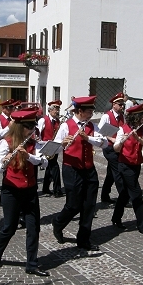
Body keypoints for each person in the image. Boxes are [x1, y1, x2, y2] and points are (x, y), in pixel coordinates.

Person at [0, 109, 50, 277]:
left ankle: (31, 263)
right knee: (10, 227)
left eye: (33, 126)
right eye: (28, 126)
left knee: (33, 227)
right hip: (11, 191)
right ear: (19, 127)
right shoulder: (6, 142)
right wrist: (4, 162)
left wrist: (29, 156)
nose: (32, 129)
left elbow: (44, 162)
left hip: (30, 190)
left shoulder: (33, 143)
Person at [51, 96, 107, 251]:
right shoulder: (65, 126)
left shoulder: (91, 126)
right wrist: (62, 144)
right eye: (89, 111)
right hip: (72, 169)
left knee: (89, 205)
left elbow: (104, 142)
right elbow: (54, 148)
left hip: (89, 169)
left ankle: (83, 239)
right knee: (73, 205)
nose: (91, 113)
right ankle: (58, 222)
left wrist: (87, 138)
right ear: (79, 111)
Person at [111, 103, 143, 235]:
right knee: (136, 193)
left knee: (125, 193)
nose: (142, 119)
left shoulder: (142, 129)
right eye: (140, 117)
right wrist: (122, 141)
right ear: (135, 118)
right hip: (125, 165)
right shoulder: (122, 129)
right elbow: (115, 148)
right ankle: (142, 224)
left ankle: (116, 218)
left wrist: (138, 138)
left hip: (136, 165)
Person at [98, 93, 126, 204]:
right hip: (110, 148)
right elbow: (100, 132)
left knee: (111, 174)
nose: (122, 106)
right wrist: (111, 139)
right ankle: (123, 197)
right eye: (120, 104)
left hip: (118, 147)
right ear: (114, 104)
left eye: (123, 104)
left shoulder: (122, 116)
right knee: (118, 172)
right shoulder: (106, 116)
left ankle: (105, 195)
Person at [38, 100, 63, 198]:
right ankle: (57, 190)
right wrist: (40, 144)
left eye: (58, 109)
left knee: (50, 167)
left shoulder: (58, 121)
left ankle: (45, 188)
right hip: (46, 145)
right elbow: (38, 133)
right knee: (55, 167)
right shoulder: (43, 120)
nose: (57, 111)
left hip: (55, 145)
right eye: (56, 109)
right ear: (50, 110)